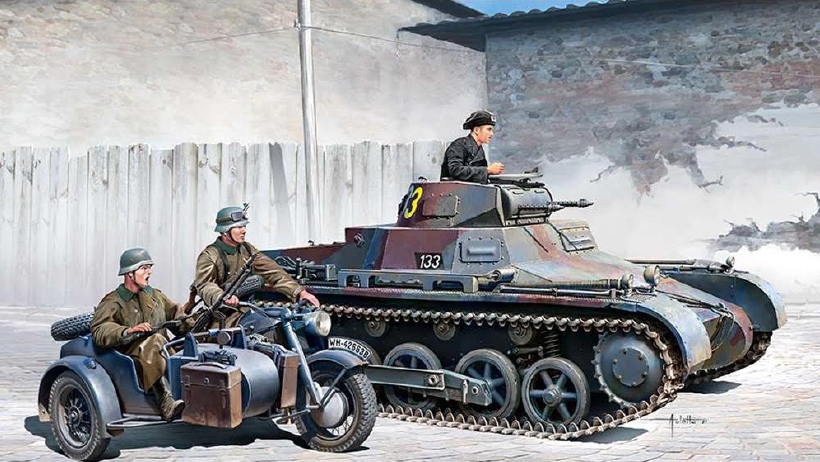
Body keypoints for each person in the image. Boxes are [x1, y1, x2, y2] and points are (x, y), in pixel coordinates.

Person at [91, 247, 189, 421]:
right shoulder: (113, 301)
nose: (149, 272)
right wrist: (128, 330)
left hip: (163, 352)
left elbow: (177, 316)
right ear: (130, 273)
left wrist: (196, 321)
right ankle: (166, 401)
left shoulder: (155, 296)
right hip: (132, 357)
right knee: (155, 341)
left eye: (149, 268)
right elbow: (100, 329)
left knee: (188, 344)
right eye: (144, 268)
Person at [193, 204, 320, 328]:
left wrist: (300, 292)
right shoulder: (210, 255)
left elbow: (272, 271)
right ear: (225, 231)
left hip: (245, 310)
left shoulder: (247, 250)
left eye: (244, 226)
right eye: (238, 227)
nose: (244, 230)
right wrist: (222, 296)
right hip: (220, 317)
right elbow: (204, 285)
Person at [440, 110, 505, 183]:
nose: (491, 134)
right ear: (476, 130)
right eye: (488, 129)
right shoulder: (458, 146)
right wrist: (487, 170)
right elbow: (455, 170)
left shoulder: (479, 150)